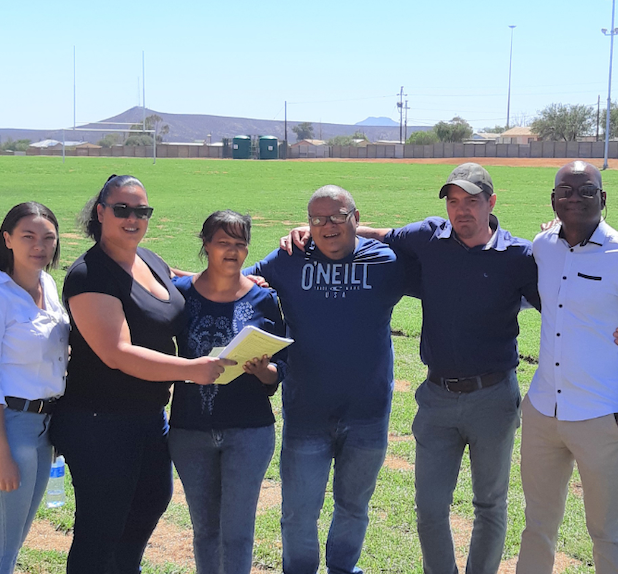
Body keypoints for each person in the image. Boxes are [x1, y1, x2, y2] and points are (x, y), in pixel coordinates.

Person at [279, 165, 618, 574]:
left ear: (491, 203)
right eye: (453, 201)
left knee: (490, 504)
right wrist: (322, 228)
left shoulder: (519, 256)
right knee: (430, 506)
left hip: (494, 397)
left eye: (471, 201)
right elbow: (380, 235)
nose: (461, 210)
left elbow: (568, 303)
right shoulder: (428, 237)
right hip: (436, 398)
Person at [49, 175, 231, 572]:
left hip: (148, 417)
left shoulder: (150, 260)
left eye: (142, 211)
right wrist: (191, 370)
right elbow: (118, 353)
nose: (133, 218)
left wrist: (243, 281)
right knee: (102, 530)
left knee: (148, 505)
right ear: (101, 213)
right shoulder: (89, 275)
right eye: (122, 210)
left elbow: (190, 285)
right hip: (98, 421)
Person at [516, 161, 618, 574]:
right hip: (541, 410)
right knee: (537, 526)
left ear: (603, 198)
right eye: (565, 191)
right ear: (553, 200)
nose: (574, 198)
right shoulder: (542, 247)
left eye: (586, 191)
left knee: (605, 532)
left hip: (602, 416)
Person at [246, 185, 406, 574]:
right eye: (317, 219)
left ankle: (342, 569)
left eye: (337, 216)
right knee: (299, 512)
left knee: (354, 507)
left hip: (368, 413)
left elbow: (441, 263)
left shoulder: (385, 261)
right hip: (307, 413)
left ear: (356, 217)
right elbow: (232, 283)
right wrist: (167, 276)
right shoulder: (289, 258)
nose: (327, 226)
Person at [168, 210, 286, 574]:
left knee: (237, 532)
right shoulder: (179, 296)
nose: (232, 251)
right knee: (205, 530)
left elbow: (280, 371)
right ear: (206, 245)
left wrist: (264, 371)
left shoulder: (264, 299)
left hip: (249, 430)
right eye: (223, 243)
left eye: (240, 243)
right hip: (190, 429)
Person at [0, 202, 69, 574]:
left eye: (48, 238)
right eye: (28, 237)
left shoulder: (47, 285)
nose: (40, 246)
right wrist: (0, 452)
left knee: (12, 542)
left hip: (39, 428)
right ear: (7, 239)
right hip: (0, 427)